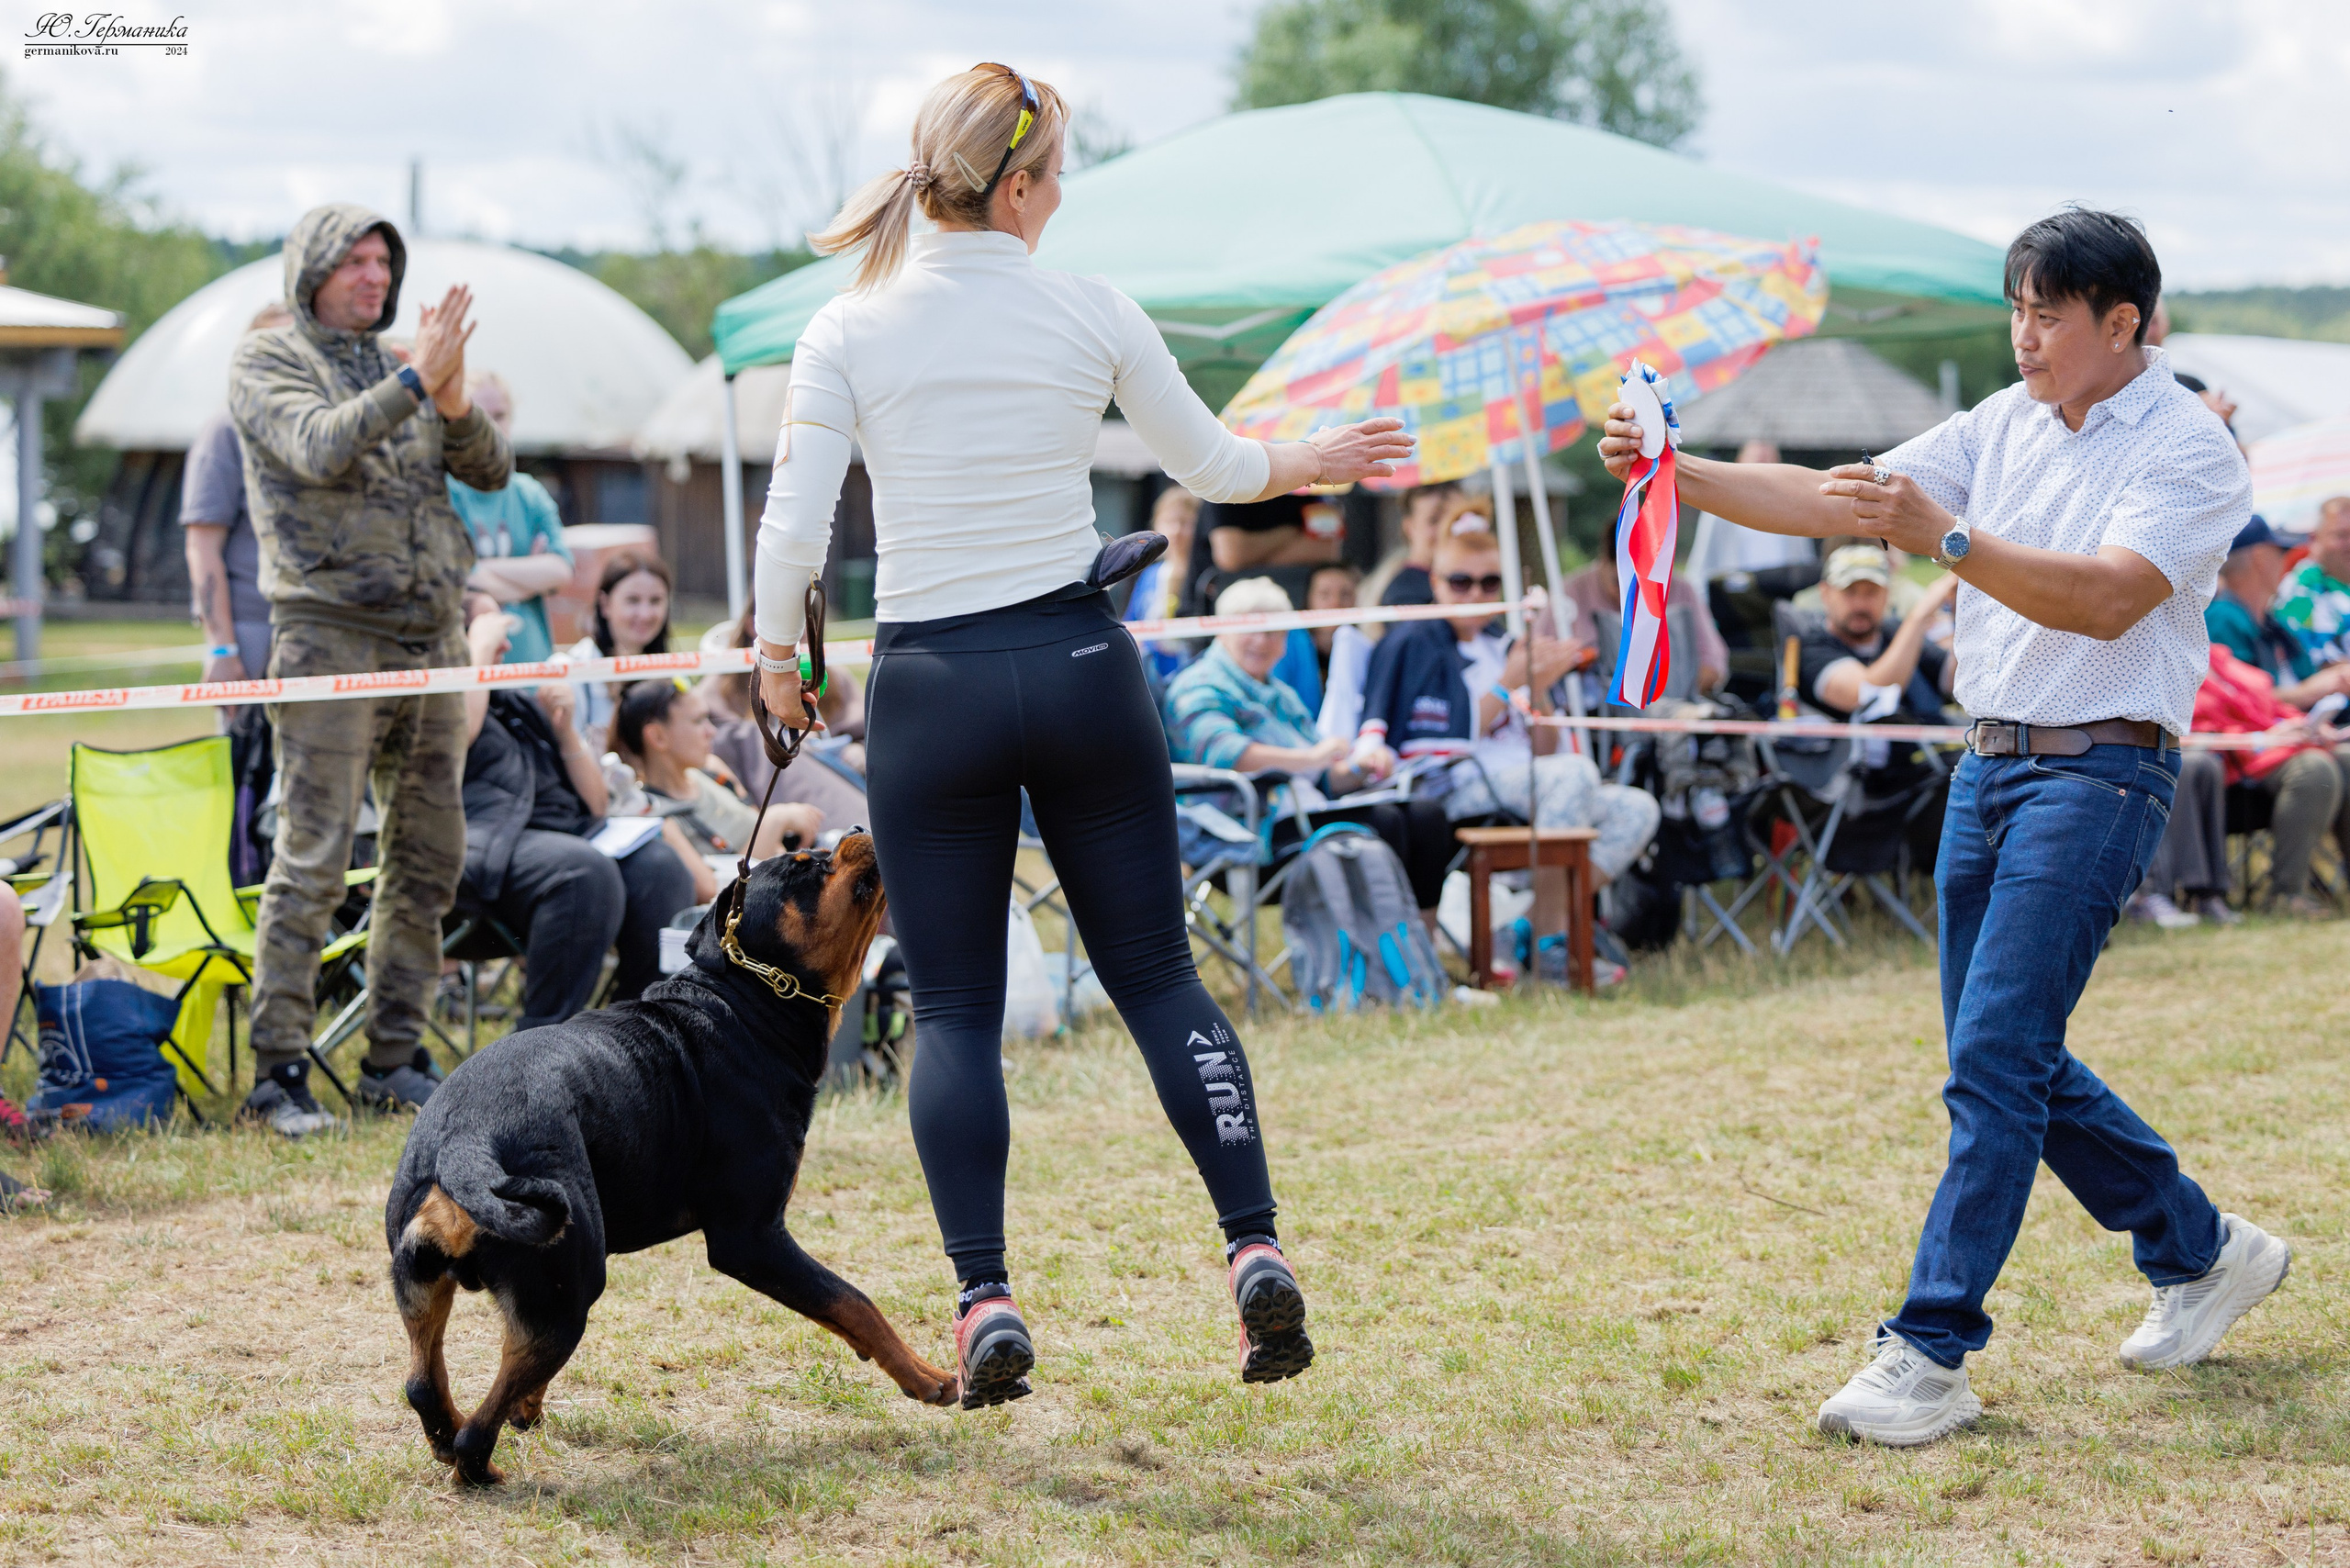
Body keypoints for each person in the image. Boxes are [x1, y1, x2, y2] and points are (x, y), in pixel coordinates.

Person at [750, 62, 1413, 1404]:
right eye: (1059, 175)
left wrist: (779, 660)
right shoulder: (1090, 309)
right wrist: (1321, 454)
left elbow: (792, 531)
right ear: (1015, 185)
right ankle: (1253, 1250)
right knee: (1161, 978)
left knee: (955, 1013)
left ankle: (987, 1298)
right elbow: (1221, 470)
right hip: (1079, 666)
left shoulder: (847, 328)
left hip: (933, 685)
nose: (1065, 198)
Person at [1604, 207, 2290, 1447]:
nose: (2023, 336)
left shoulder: (2191, 449)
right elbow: (1837, 499)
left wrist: (1947, 539)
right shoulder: (2002, 419)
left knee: (1993, 1064)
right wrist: (1673, 470)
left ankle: (1930, 1349)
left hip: (2101, 773)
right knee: (2006, 1057)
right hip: (1987, 770)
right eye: (2014, 310)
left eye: (2047, 314)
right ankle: (2199, 1251)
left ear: (2122, 324)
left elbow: (2106, 601)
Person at [228, 203, 510, 1136]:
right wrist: (413, 383)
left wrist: (453, 398)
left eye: (384, 261)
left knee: (428, 859)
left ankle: (394, 1057)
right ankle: (278, 1071)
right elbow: (316, 447)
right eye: (353, 260)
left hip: (427, 639)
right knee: (311, 861)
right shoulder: (266, 361)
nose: (374, 276)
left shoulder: (408, 372)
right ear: (310, 269)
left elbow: (493, 472)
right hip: (330, 639)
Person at [1352, 521, 1661, 978]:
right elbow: (1443, 744)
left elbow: (1543, 747)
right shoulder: (1415, 642)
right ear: (1435, 584)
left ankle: (1530, 927)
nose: (1476, 593)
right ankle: (1552, 943)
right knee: (1572, 775)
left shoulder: (1506, 642)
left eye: (1489, 582)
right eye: (1461, 582)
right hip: (1452, 787)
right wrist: (1507, 684)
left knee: (1637, 808)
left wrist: (1538, 691)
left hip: (1528, 783)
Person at [455, 596, 698, 1031]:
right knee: (584, 872)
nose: (505, 646)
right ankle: (539, 1047)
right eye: (491, 629)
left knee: (663, 869)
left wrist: (564, 729)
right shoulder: (440, 701)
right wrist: (476, 654)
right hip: (485, 844)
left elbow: (597, 804)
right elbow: (461, 734)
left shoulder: (517, 703)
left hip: (564, 835)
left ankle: (638, 1033)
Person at [1165, 578, 1454, 915]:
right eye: (1250, 629)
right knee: (1381, 825)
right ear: (1221, 629)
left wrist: (1362, 767)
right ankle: (1373, 953)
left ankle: (1418, 948)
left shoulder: (1279, 694)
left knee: (1426, 816)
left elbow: (1326, 777)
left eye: (1275, 632)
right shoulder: (1198, 685)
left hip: (1305, 813)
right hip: (1245, 833)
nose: (1262, 641)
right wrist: (1310, 758)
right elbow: (1227, 755)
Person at [2191, 643, 2347, 920]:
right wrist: (2267, 737)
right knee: (2314, 770)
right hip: (2231, 768)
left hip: (2278, 747)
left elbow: (2269, 703)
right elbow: (2195, 734)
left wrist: (2307, 725)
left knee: (2346, 758)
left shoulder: (2221, 659)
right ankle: (2287, 894)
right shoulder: (2175, 667)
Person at [182, 304, 293, 685]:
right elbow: (202, 545)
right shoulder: (226, 430)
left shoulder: (323, 428)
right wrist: (221, 647)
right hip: (252, 632)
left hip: (315, 633)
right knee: (244, 746)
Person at [611, 678, 822, 867]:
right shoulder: (659, 819)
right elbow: (716, 892)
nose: (711, 731)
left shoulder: (712, 768)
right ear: (657, 737)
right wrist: (777, 820)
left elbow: (757, 829)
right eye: (697, 721)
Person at [448, 370, 572, 665]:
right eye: (479, 415)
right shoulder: (442, 493)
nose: (492, 427)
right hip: (470, 672)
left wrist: (481, 572)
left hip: (533, 669)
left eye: (500, 415)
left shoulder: (529, 493)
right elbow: (449, 579)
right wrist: (531, 578)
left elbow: (561, 571)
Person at [565, 552, 673, 754]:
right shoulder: (572, 672)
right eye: (633, 600)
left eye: (656, 601)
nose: (645, 614)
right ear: (605, 604)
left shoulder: (673, 672)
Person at [1123, 485, 1200, 680]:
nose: (1176, 531)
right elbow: (1130, 622)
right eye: (1169, 522)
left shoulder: (1204, 578)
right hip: (1149, 674)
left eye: (1185, 522)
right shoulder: (1150, 575)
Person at [2268, 498, 2350, 671]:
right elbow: (2327, 667)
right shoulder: (2301, 592)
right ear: (2314, 539)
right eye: (2341, 535)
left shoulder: (2341, 584)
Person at [1267, 562, 1359, 712]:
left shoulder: (1367, 646)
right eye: (1324, 595)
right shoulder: (1286, 645)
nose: (1335, 603)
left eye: (1346, 594)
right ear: (1308, 600)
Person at [1363, 482, 1461, 608]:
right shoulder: (1403, 593)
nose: (1445, 529)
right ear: (1409, 527)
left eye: (1455, 518)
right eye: (1434, 520)